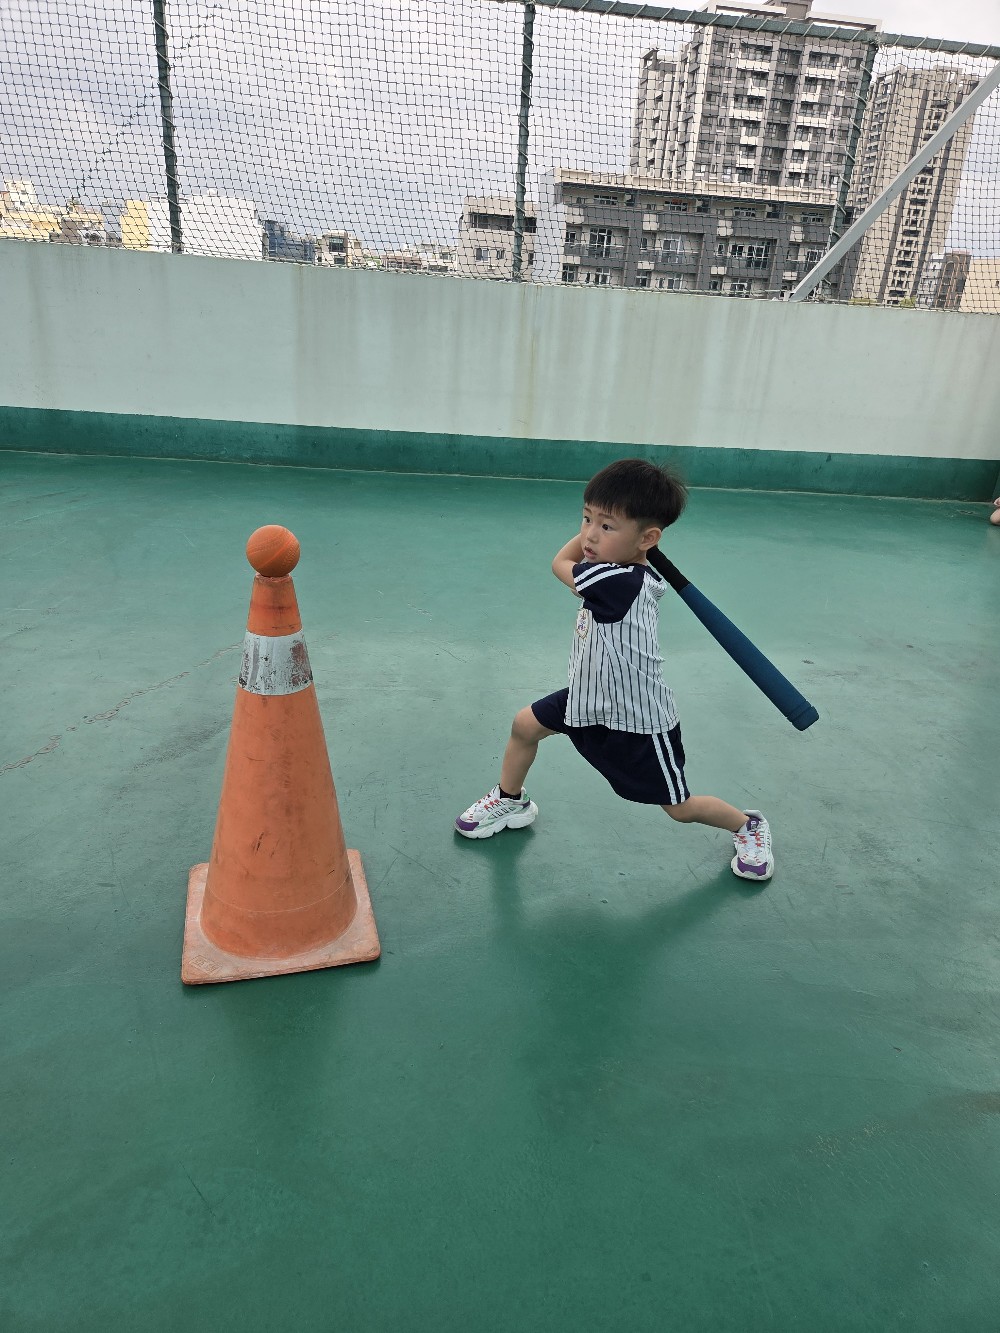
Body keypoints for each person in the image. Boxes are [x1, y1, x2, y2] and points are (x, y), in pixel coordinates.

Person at [454, 458, 774, 882]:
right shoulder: (618, 573)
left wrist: (594, 537)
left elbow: (559, 563)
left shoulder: (618, 582)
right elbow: (579, 560)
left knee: (679, 808)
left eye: (606, 526)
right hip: (588, 696)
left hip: (636, 718)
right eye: (586, 518)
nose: (589, 534)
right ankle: (510, 799)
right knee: (525, 726)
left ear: (648, 538)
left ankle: (748, 826)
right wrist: (606, 529)